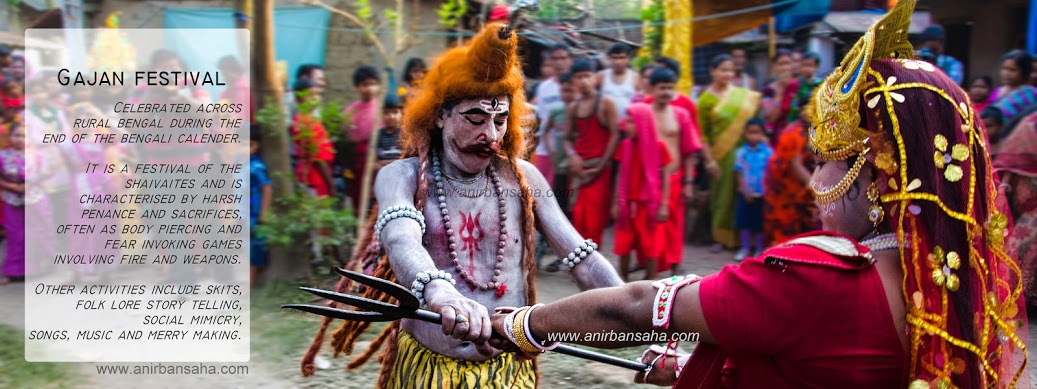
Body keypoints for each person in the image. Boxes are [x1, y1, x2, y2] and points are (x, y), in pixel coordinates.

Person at [487, 2, 1029, 387]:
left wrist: (516, 325)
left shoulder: (817, 277)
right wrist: (706, 365)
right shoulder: (951, 282)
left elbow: (634, 305)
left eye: (825, 165)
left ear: (877, 177)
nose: (814, 185)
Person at [298, 23, 623, 388]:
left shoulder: (524, 179)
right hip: (428, 371)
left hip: (508, 372)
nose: (491, 135)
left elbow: (583, 257)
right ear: (439, 115)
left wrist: (636, 317)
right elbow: (401, 238)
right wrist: (441, 293)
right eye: (475, 118)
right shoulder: (401, 176)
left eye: (500, 120)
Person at [615, 67, 702, 280]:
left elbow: (689, 150)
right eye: (662, 88)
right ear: (652, 88)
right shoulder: (641, 112)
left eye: (670, 88)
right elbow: (626, 136)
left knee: (673, 227)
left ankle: (674, 269)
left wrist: (689, 182)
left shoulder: (681, 114)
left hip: (672, 178)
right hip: (644, 183)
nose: (666, 92)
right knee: (649, 230)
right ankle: (648, 270)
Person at [698, 54, 761, 250]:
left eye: (730, 70)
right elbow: (702, 135)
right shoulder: (705, 100)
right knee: (721, 198)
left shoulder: (744, 95)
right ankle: (720, 238)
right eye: (723, 70)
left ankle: (743, 240)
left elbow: (755, 124)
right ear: (712, 71)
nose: (727, 74)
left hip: (746, 154)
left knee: (744, 195)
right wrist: (709, 161)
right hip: (720, 155)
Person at [561, 58, 620, 254]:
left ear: (595, 78)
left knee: (595, 219)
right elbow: (567, 139)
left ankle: (595, 263)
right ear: (574, 81)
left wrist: (602, 165)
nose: (584, 81)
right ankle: (582, 262)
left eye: (587, 76)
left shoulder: (606, 104)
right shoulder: (573, 107)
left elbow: (615, 135)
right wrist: (572, 156)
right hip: (580, 170)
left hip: (599, 169)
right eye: (579, 77)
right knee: (578, 216)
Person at [764, 94, 817, 246]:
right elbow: (796, 165)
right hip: (785, 190)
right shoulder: (796, 133)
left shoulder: (811, 129)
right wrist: (818, 187)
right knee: (785, 229)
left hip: (798, 189)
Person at [343, 65, 382, 209]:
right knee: (359, 197)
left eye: (373, 84)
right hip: (358, 161)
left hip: (378, 160)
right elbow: (347, 139)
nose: (370, 89)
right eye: (365, 84)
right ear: (357, 87)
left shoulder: (381, 109)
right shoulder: (351, 111)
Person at [733, 119, 772, 261]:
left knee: (759, 223)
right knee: (744, 222)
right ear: (745, 134)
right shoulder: (741, 153)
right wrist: (744, 190)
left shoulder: (768, 152)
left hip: (762, 194)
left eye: (757, 133)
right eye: (750, 133)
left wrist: (768, 191)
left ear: (762, 134)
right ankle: (744, 248)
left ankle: (759, 248)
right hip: (745, 194)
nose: (753, 136)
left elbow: (770, 172)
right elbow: (739, 172)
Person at [292, 79, 336, 198]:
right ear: (298, 99)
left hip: (316, 175)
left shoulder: (311, 119)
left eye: (316, 94)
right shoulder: (304, 121)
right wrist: (330, 184)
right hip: (314, 177)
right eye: (310, 95)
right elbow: (317, 158)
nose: (315, 98)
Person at [0, 122, 25, 284]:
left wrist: (28, 186)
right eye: (17, 135)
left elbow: (48, 173)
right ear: (10, 137)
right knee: (15, 235)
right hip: (11, 199)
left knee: (33, 234)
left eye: (24, 135)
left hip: (35, 199)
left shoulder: (37, 155)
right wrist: (12, 186)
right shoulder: (2, 155)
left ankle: (33, 270)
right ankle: (11, 271)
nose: (20, 139)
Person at [248, 125, 271, 286]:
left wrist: (264, 212)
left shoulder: (257, 166)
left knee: (254, 248)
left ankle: (250, 284)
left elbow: (267, 188)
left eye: (248, 145)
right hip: (242, 213)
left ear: (255, 146)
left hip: (254, 214)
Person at [761, 49, 799, 140]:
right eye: (781, 64)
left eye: (787, 63)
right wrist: (782, 90)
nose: (785, 68)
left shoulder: (799, 87)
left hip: (797, 137)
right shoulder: (768, 90)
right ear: (774, 67)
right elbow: (771, 119)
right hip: (777, 137)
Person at [597, 43, 638, 122]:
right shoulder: (601, 76)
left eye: (622, 58)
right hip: (605, 126)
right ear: (609, 59)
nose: (618, 61)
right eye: (615, 58)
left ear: (628, 59)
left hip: (629, 127)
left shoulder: (636, 77)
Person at [788, 51, 821, 124]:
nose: (806, 68)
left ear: (817, 67)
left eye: (809, 65)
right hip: (799, 119)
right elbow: (793, 105)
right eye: (804, 65)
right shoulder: (795, 84)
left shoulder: (820, 84)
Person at [373, 94, 404, 171]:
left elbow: (407, 160)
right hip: (382, 174)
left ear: (402, 113)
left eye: (395, 112)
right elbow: (373, 163)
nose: (391, 116)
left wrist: (384, 163)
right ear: (381, 114)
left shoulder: (405, 134)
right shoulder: (377, 135)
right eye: (386, 113)